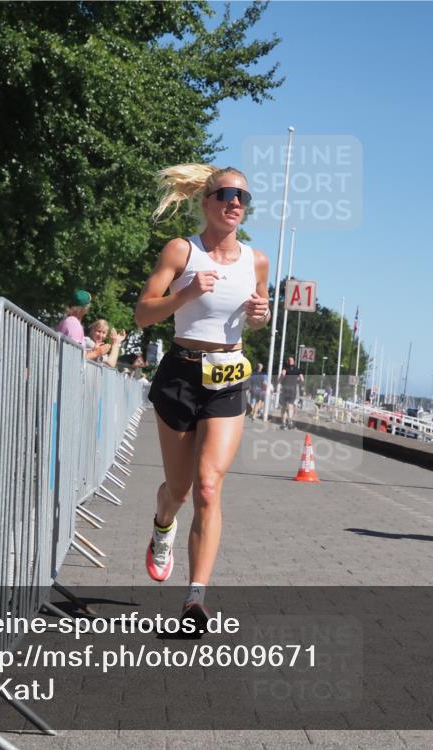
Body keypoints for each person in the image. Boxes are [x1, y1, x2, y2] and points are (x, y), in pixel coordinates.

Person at [135, 163, 270, 628]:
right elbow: (142, 314)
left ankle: (195, 599)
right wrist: (186, 292)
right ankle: (162, 524)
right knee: (179, 489)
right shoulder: (181, 250)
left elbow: (258, 316)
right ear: (205, 201)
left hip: (228, 377)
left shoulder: (257, 261)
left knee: (209, 487)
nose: (235, 203)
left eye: (243, 198)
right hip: (180, 373)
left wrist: (260, 315)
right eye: (226, 194)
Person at [278, 356, 303, 429]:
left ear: (287, 362)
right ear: (294, 362)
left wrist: (279, 381)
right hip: (293, 389)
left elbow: (283, 374)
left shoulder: (285, 368)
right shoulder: (297, 369)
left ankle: (283, 423)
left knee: (284, 406)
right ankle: (290, 421)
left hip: (285, 388)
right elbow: (302, 379)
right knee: (291, 405)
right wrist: (297, 382)